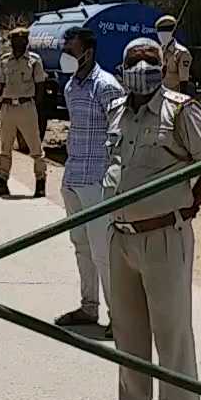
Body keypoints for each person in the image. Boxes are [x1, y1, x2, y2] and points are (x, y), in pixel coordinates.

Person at [88, 37, 201, 400]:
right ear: (123, 66)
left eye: (150, 59)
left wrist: (189, 206)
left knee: (172, 333)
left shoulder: (181, 110)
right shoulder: (116, 110)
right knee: (127, 332)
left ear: (163, 64)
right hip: (120, 235)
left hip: (164, 235)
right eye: (134, 60)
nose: (142, 66)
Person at [52, 26, 125, 338]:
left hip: (97, 180)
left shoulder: (106, 87)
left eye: (72, 49)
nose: (66, 54)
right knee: (80, 246)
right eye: (65, 48)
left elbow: (120, 134)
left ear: (88, 52)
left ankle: (119, 317)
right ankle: (88, 306)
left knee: (103, 252)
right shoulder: (71, 86)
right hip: (73, 177)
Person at [0, 27, 50, 199]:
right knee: (5, 147)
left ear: (26, 42)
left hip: (26, 106)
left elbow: (40, 86)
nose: (19, 43)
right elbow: (0, 83)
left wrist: (36, 108)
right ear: (11, 42)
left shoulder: (34, 60)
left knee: (35, 148)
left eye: (23, 40)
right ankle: (2, 181)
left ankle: (40, 182)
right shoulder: (4, 60)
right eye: (16, 40)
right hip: (8, 107)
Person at [155, 14, 193, 93]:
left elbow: (184, 82)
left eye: (165, 31)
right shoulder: (158, 51)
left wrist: (180, 103)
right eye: (160, 31)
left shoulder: (181, 53)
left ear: (172, 32)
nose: (162, 35)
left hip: (173, 96)